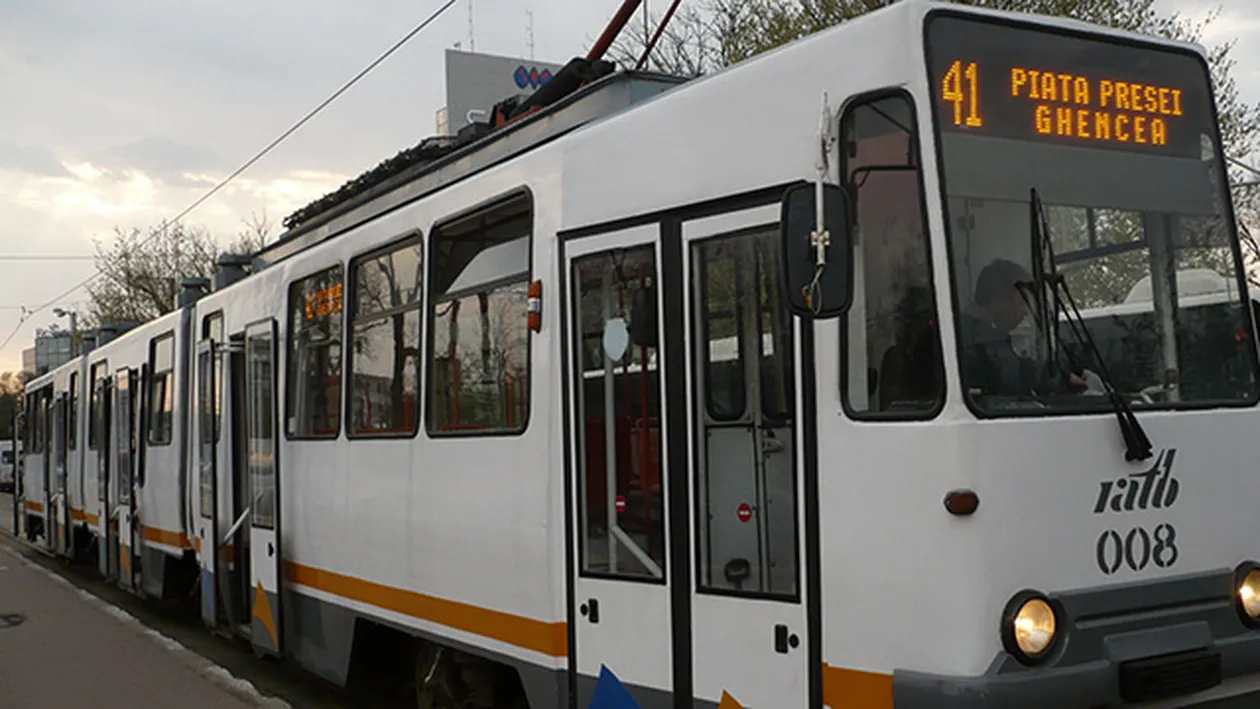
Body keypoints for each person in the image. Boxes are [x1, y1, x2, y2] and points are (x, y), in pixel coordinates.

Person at [958, 258, 1087, 398]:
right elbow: (1015, 372)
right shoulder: (977, 336)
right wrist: (1062, 379)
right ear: (1001, 298)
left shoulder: (969, 327)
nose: (1025, 312)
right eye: (1022, 304)